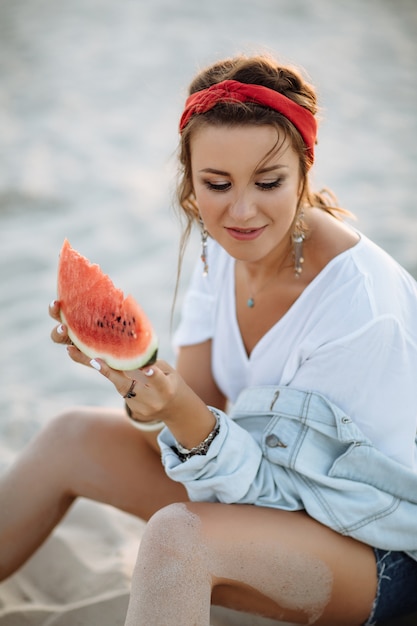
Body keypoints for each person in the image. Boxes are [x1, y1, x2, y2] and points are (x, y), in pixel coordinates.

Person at [1, 54, 417, 626]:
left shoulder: (359, 307)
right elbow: (199, 406)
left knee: (179, 538)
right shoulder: (222, 250)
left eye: (269, 183)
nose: (241, 211)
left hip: (372, 547)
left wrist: (180, 410)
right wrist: (139, 384)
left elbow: (288, 498)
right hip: (258, 499)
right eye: (217, 184)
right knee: (71, 436)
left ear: (304, 171)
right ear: (190, 183)